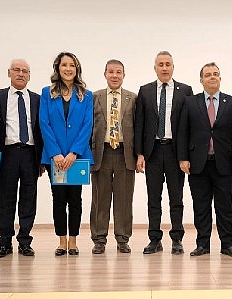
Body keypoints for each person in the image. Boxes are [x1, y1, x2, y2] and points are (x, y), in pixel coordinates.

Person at [178, 62, 232, 258]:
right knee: (201, 206)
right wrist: (183, 158)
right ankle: (202, 244)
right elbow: (183, 132)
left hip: (223, 163)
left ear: (220, 78)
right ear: (201, 80)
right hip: (198, 163)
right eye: (208, 75)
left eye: (215, 74)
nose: (212, 77)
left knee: (225, 207)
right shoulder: (190, 102)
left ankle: (227, 244)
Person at [134, 51, 193, 255]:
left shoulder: (186, 90)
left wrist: (187, 155)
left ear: (173, 67)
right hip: (153, 152)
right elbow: (140, 124)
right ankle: (154, 239)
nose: (165, 68)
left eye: (168, 64)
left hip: (176, 152)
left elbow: (189, 126)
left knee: (176, 198)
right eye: (161, 64)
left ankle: (177, 239)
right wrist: (140, 154)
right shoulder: (145, 91)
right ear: (155, 68)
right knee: (153, 198)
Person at [39, 52, 93, 256]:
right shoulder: (47, 92)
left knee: (76, 200)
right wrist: (55, 153)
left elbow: (88, 125)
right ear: (58, 68)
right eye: (64, 65)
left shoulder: (85, 95)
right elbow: (44, 123)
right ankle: (62, 241)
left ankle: (74, 241)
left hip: (76, 158)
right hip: (56, 158)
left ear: (77, 69)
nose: (68, 69)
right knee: (58, 199)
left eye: (72, 65)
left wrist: (74, 153)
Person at [0, 59, 42, 258]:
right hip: (7, 153)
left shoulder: (37, 99)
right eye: (17, 70)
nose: (21, 74)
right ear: (9, 73)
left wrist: (42, 160)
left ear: (29, 76)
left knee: (29, 199)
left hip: (30, 154)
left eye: (25, 71)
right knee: (6, 199)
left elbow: (41, 129)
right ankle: (4, 242)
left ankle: (25, 241)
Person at [91, 59, 137, 254]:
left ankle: (122, 238)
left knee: (124, 198)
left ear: (124, 75)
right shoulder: (94, 97)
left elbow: (138, 127)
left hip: (124, 153)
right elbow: (88, 126)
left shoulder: (133, 98)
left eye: (119, 72)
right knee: (100, 198)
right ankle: (99, 239)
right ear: (105, 74)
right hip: (101, 152)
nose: (115, 75)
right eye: (111, 72)